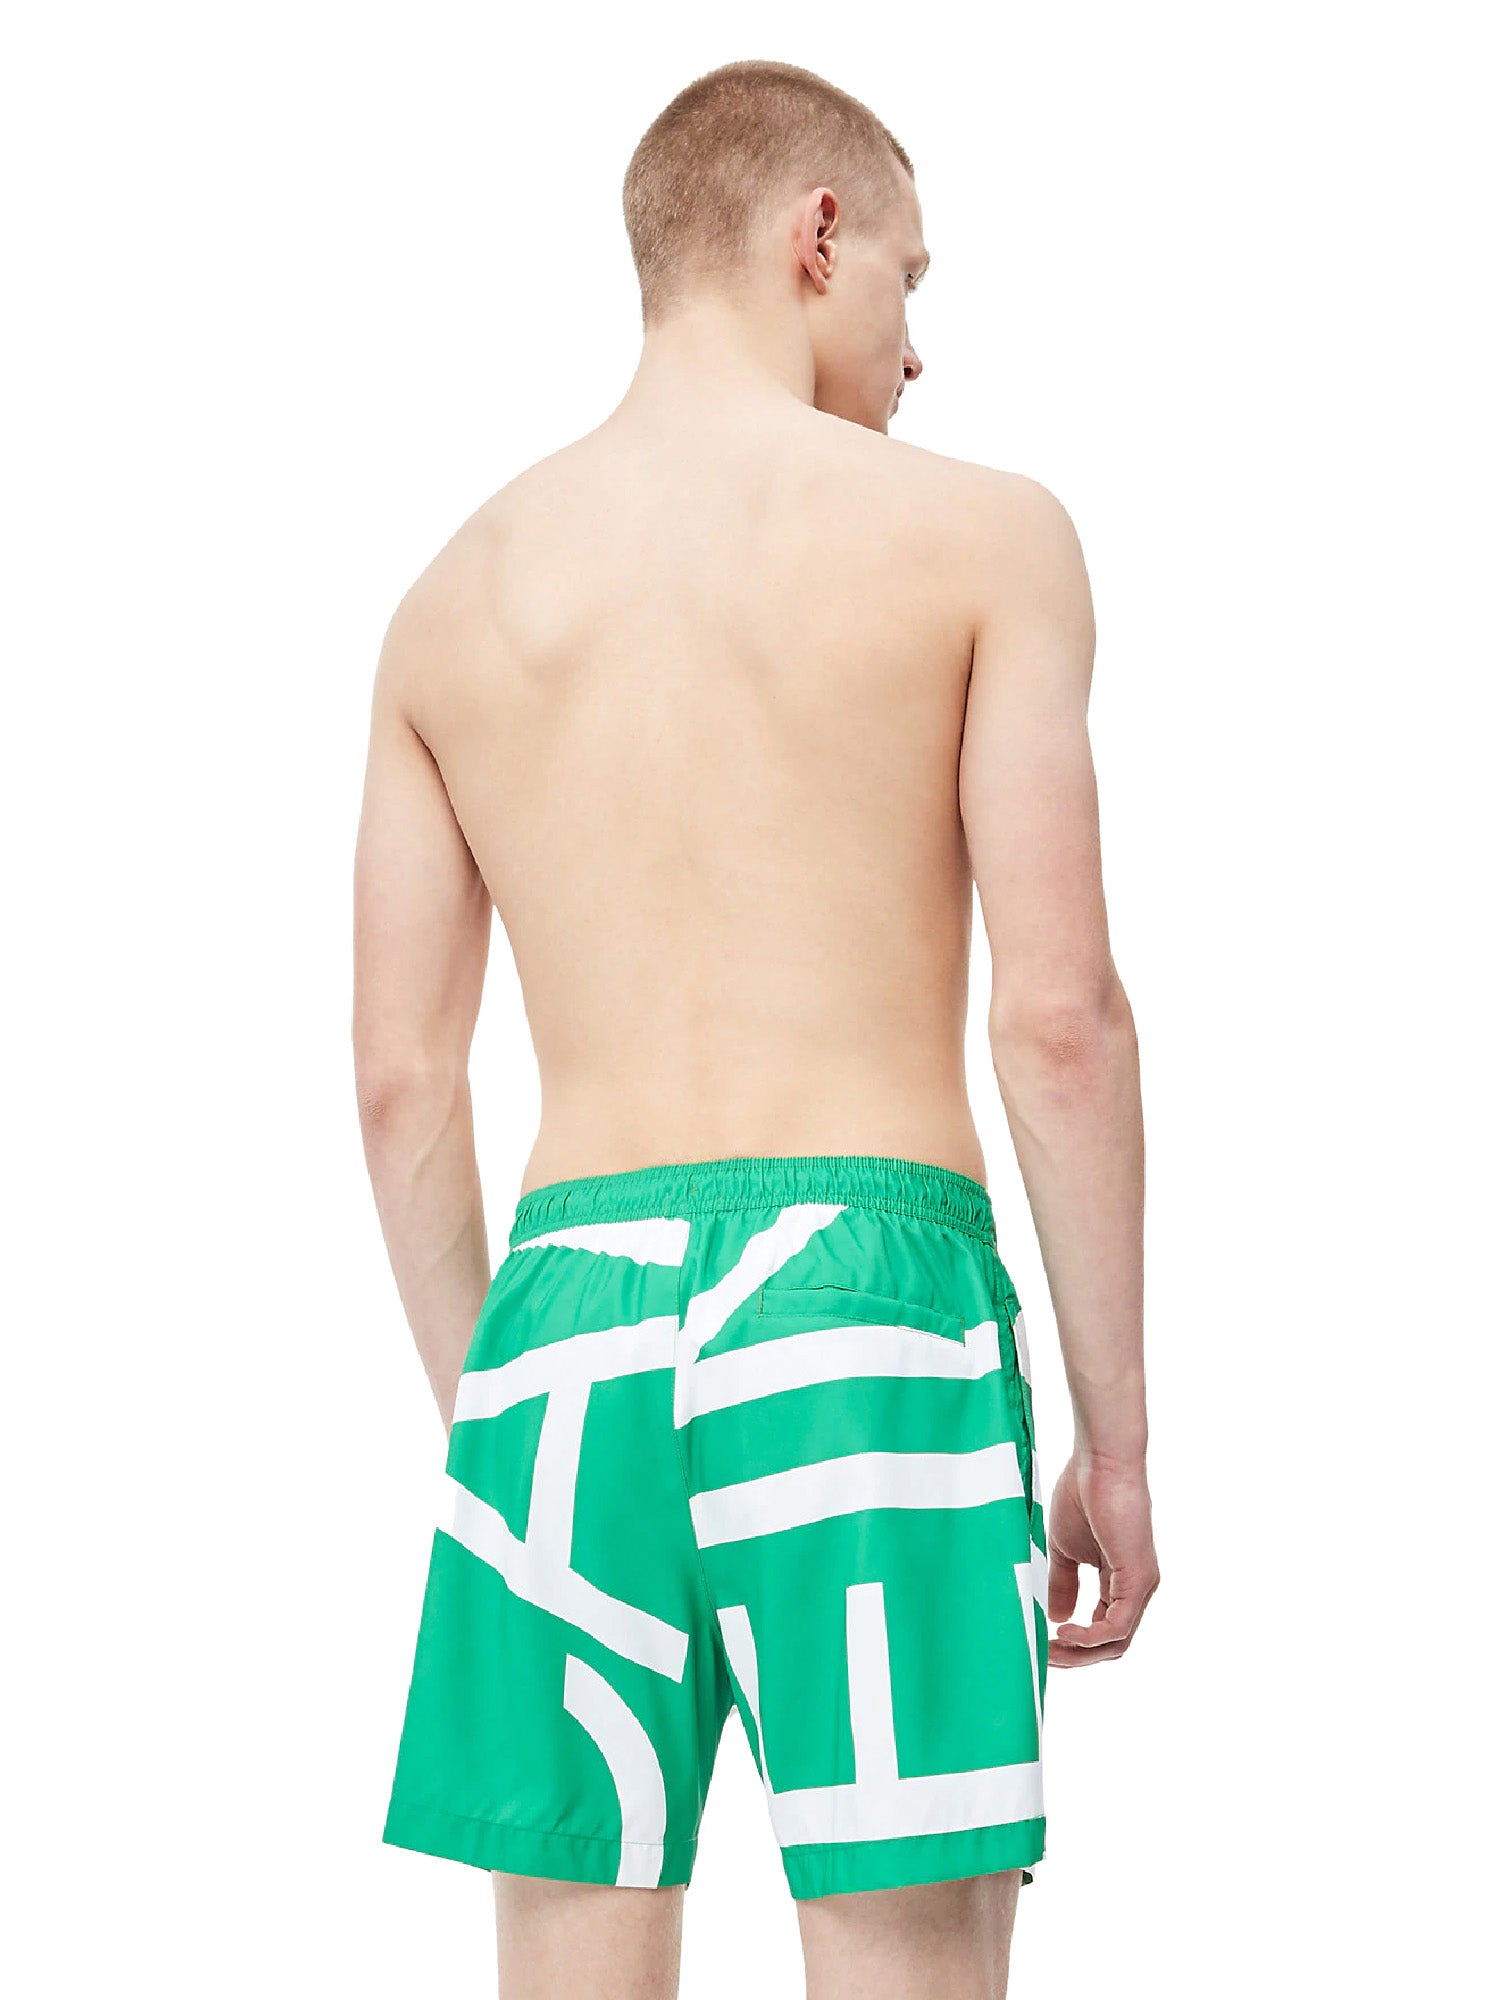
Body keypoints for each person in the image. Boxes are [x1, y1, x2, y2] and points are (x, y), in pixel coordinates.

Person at [354, 57, 1157, 2000]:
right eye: (908, 279)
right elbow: (1058, 1022)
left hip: (560, 1329)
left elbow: (399, 1084)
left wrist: (509, 1428)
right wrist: (1115, 1443)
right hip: (858, 1307)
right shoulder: (982, 538)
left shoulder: (454, 599)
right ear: (816, 235)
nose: (916, 348)